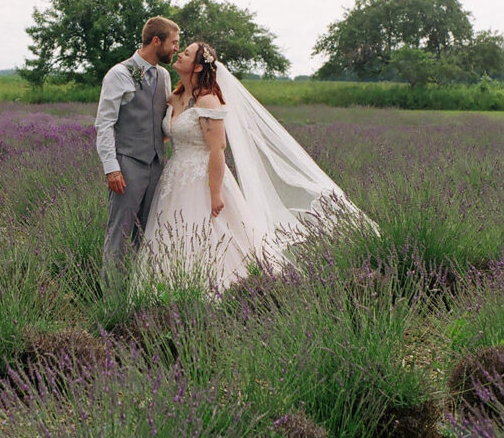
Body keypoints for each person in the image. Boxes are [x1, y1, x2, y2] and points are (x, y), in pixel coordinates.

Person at [141, 40, 374, 290]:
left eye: (186, 54)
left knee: (208, 233)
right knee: (173, 233)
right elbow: (169, 132)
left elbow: (218, 148)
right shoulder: (176, 97)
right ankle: (170, 290)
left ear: (198, 67)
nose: (179, 55)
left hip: (204, 175)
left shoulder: (208, 101)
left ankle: (224, 290)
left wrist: (216, 192)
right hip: (175, 177)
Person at [95, 16, 180, 288]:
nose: (176, 48)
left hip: (157, 164)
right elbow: (104, 124)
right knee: (119, 233)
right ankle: (112, 297)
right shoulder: (119, 74)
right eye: (174, 43)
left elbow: (164, 116)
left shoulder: (164, 75)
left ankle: (139, 292)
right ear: (157, 41)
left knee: (148, 234)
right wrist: (111, 168)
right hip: (128, 164)